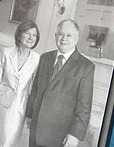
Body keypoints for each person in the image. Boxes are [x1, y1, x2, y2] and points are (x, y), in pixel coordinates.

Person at [25, 19, 95, 147]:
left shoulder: (86, 67)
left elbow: (84, 106)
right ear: (55, 36)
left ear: (76, 39)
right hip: (36, 128)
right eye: (61, 34)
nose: (64, 38)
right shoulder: (45, 57)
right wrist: (29, 115)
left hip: (60, 135)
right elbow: (35, 89)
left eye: (69, 35)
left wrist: (74, 134)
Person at [0, 20, 40, 147]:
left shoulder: (37, 59)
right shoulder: (6, 52)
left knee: (10, 141)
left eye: (35, 35)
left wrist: (31, 113)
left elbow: (34, 87)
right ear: (19, 35)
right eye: (28, 33)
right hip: (0, 103)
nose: (31, 38)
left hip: (20, 106)